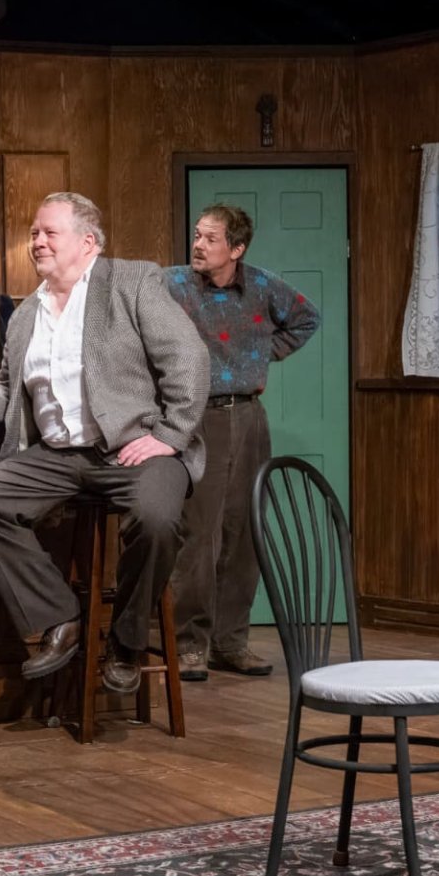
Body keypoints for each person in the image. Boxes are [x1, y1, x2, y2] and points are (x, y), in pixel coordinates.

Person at [0, 192, 209, 693]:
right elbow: (8, 388)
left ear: (88, 243)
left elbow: (188, 358)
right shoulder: (27, 313)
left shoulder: (131, 282)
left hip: (135, 447)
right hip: (57, 455)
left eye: (50, 233)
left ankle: (126, 641)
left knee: (156, 520)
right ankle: (61, 618)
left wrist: (170, 436)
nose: (37, 242)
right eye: (34, 234)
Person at [165, 204, 320, 682]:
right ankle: (189, 644)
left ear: (236, 248)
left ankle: (230, 642)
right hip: (198, 419)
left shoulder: (264, 286)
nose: (198, 245)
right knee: (199, 534)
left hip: (249, 416)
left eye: (210, 239)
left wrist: (258, 356)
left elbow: (307, 319)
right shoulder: (172, 284)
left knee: (245, 530)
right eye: (197, 235)